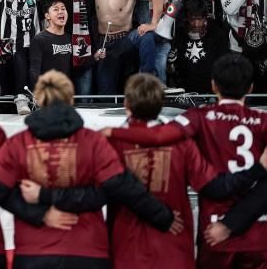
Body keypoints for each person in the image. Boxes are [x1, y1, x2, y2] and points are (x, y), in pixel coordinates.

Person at [0, 70, 180, 268]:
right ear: (71, 99)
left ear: (39, 100)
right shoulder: (92, 142)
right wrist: (163, 217)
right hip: (87, 250)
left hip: (33, 253)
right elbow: (122, 187)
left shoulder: (18, 144)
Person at [105, 53, 267, 268]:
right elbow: (212, 184)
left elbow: (159, 137)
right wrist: (258, 170)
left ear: (213, 85)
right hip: (253, 231)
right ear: (251, 88)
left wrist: (111, 132)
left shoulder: (198, 118)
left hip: (206, 232)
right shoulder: (262, 121)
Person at [93, 0, 163, 94]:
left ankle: (148, 82)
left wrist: (153, 24)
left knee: (146, 35)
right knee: (105, 94)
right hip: (104, 44)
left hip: (126, 39)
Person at [28, 0, 72, 88]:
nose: (61, 12)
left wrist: (95, 57)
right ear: (47, 16)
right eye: (56, 9)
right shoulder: (39, 39)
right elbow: (34, 71)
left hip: (65, 91)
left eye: (63, 9)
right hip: (48, 91)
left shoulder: (70, 38)